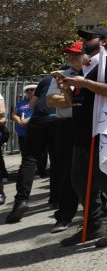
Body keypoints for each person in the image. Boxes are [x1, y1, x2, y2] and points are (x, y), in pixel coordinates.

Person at [56, 27, 107, 247]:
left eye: (89, 38)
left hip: (101, 134)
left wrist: (83, 83)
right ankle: (92, 226)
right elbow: (72, 103)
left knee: (106, 179)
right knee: (80, 182)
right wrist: (68, 88)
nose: (84, 41)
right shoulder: (90, 69)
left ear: (104, 41)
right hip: (81, 135)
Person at [45, 41, 87, 233]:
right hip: (66, 126)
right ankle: (64, 216)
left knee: (92, 170)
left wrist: (70, 99)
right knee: (66, 171)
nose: (71, 57)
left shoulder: (94, 73)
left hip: (89, 125)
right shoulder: (62, 76)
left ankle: (94, 212)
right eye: (69, 54)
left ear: (85, 55)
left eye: (75, 54)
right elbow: (51, 101)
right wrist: (77, 100)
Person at [5, 74, 56, 223]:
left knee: (29, 160)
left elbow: (33, 105)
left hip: (39, 120)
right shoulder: (77, 76)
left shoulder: (46, 80)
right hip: (59, 120)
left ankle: (21, 199)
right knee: (58, 160)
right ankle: (56, 198)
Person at [12, 86, 36, 160]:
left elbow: (42, 113)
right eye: (27, 90)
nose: (29, 91)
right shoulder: (21, 103)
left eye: (32, 89)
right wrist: (19, 120)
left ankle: (39, 170)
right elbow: (13, 114)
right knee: (24, 152)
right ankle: (25, 169)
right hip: (22, 132)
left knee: (37, 152)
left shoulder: (40, 102)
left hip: (35, 131)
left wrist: (29, 120)